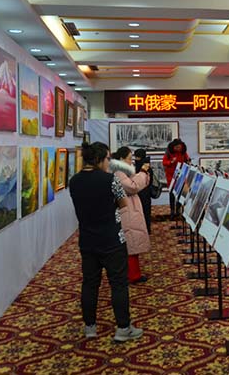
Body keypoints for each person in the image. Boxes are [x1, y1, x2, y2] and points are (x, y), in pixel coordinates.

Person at [69, 142, 143, 342]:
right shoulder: (111, 180)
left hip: (87, 240)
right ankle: (123, 328)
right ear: (100, 159)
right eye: (108, 158)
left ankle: (90, 327)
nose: (110, 162)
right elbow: (123, 203)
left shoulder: (74, 181)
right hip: (112, 239)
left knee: (90, 284)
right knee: (118, 284)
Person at [110, 147, 152, 283]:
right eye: (129, 158)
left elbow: (137, 183)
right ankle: (131, 275)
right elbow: (132, 187)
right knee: (130, 242)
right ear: (122, 159)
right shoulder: (118, 172)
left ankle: (134, 274)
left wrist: (142, 174)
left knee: (132, 242)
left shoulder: (122, 171)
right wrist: (143, 172)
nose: (131, 161)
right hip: (126, 210)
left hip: (130, 208)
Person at [162, 138, 191, 218]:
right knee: (171, 194)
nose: (178, 149)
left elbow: (187, 160)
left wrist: (188, 161)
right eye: (177, 147)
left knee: (181, 193)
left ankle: (178, 210)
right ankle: (172, 211)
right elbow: (164, 162)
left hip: (181, 176)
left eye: (179, 147)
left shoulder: (183, 153)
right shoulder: (168, 153)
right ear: (173, 147)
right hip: (171, 177)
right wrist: (171, 162)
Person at [134, 149, 153, 235]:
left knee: (143, 211)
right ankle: (147, 229)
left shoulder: (142, 166)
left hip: (142, 193)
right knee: (146, 211)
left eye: (136, 157)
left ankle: (145, 229)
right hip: (146, 192)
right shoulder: (147, 165)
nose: (135, 159)